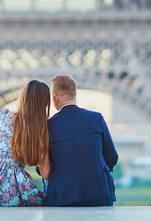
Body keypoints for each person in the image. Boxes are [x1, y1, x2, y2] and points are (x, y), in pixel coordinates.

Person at [41, 74, 118, 207]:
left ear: (55, 98)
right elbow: (112, 158)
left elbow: (43, 169)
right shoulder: (96, 118)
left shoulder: (49, 125)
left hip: (63, 196)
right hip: (98, 195)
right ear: (74, 94)